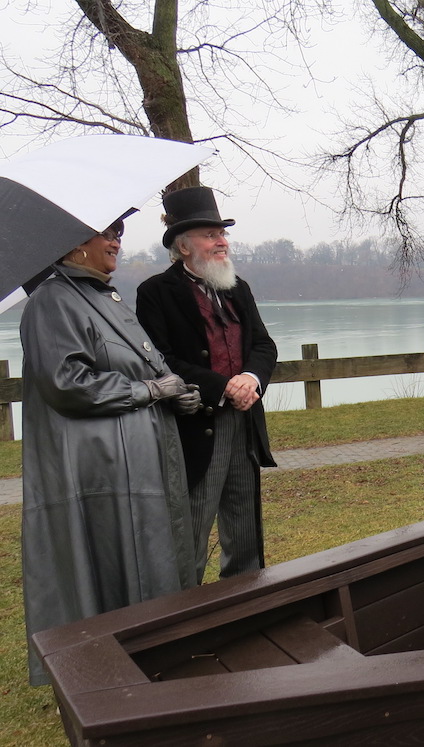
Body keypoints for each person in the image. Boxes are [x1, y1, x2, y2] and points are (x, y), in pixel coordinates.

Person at [20, 218, 200, 686]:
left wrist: (176, 392)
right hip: (97, 468)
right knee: (112, 554)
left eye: (120, 230)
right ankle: (107, 664)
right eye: (107, 232)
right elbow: (67, 384)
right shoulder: (52, 302)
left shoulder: (104, 296)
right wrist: (149, 391)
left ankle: (157, 645)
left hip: (141, 457)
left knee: (155, 549)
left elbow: (144, 366)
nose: (117, 240)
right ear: (73, 243)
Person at [136, 186, 277, 584]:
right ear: (183, 245)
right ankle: (184, 618)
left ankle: (246, 607)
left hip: (244, 423)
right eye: (211, 234)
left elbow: (263, 345)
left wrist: (251, 379)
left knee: (246, 531)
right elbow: (160, 358)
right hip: (197, 425)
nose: (222, 242)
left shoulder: (238, 288)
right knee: (191, 532)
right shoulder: (155, 293)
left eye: (222, 234)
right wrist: (221, 386)